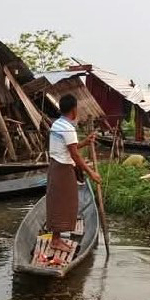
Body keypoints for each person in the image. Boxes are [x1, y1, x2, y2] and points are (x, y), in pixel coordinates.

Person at [42, 94, 101, 266]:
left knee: (57, 202)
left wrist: (85, 142)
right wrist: (91, 173)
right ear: (74, 109)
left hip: (55, 167)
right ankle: (55, 240)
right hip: (63, 169)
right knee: (66, 203)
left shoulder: (57, 124)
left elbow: (70, 147)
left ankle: (56, 237)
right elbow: (74, 155)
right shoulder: (68, 128)